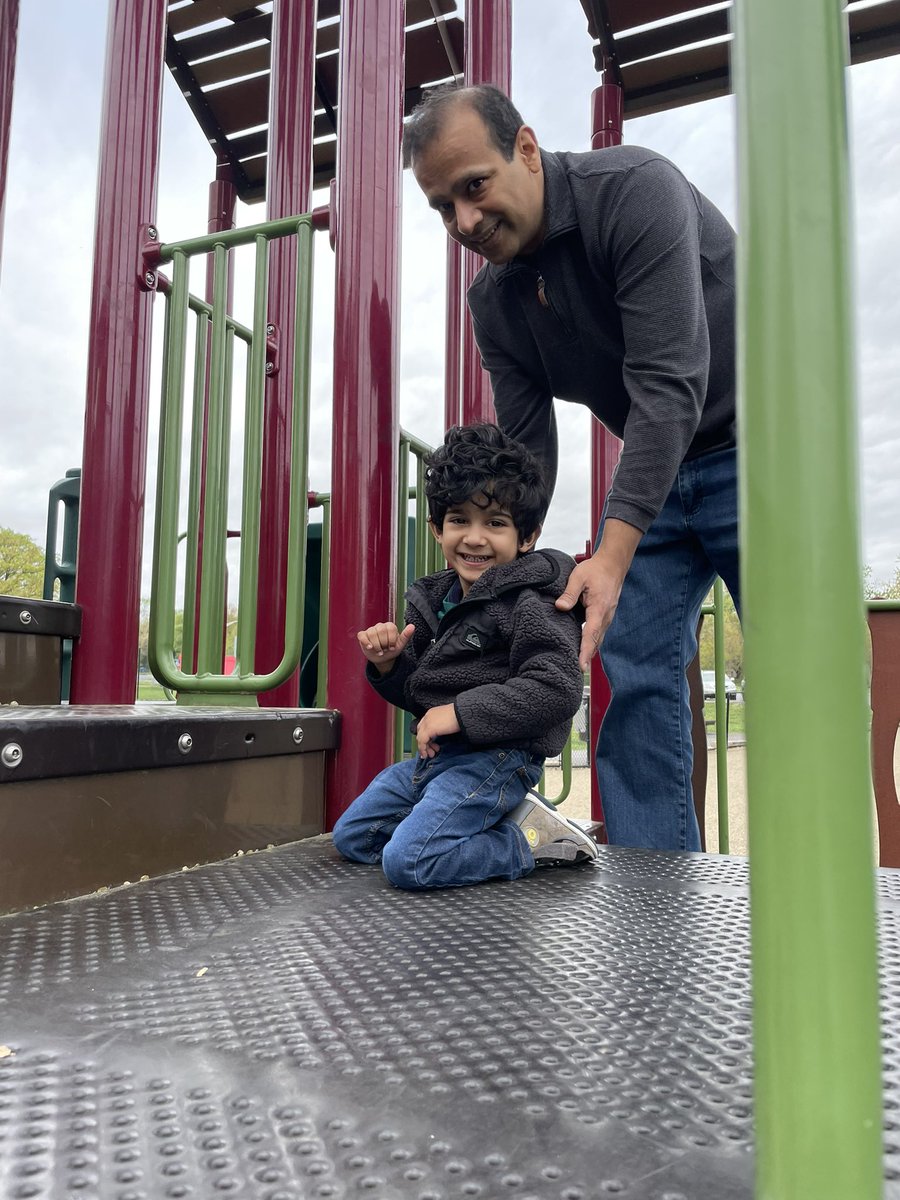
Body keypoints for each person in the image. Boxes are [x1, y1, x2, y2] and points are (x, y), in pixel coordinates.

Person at [404, 84, 740, 852]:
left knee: (794, 673)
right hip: (658, 476)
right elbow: (526, 454)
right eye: (441, 206)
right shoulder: (494, 300)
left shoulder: (632, 192)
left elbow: (669, 382)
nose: (463, 221)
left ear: (526, 148)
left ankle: (817, 901)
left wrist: (611, 553)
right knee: (634, 673)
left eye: (474, 186)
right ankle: (655, 898)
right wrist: (489, 575)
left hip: (756, 456)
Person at [332, 423, 599, 890]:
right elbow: (422, 696)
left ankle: (523, 841)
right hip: (440, 761)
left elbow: (557, 688)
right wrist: (389, 665)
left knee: (409, 862)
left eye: (495, 523)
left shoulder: (533, 601)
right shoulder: (439, 601)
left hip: (497, 758)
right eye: (459, 520)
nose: (474, 538)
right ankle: (469, 825)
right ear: (437, 529)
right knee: (353, 837)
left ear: (527, 535)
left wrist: (457, 713)